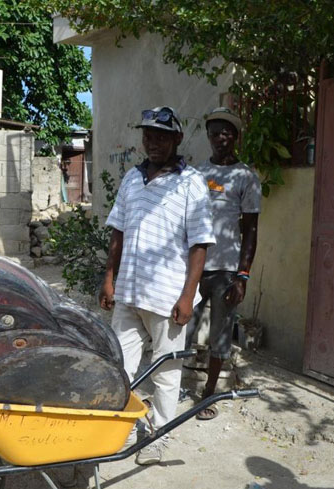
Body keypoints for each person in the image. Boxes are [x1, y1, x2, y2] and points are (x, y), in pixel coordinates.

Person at [99, 106, 215, 465]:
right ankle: (127, 430)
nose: (153, 142)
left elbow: (200, 244)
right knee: (121, 367)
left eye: (161, 136)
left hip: (167, 298)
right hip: (129, 293)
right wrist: (108, 277)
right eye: (148, 136)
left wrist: (186, 296)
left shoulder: (191, 183)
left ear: (177, 139)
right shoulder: (132, 179)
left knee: (165, 373)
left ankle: (160, 436)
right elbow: (118, 230)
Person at [185, 107, 261, 420]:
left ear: (236, 137)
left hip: (227, 270)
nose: (221, 138)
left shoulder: (246, 177)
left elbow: (251, 229)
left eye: (227, 132)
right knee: (182, 327)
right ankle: (172, 383)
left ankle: (208, 394)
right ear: (209, 136)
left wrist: (243, 276)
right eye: (215, 132)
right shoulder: (197, 174)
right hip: (193, 266)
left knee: (220, 333)